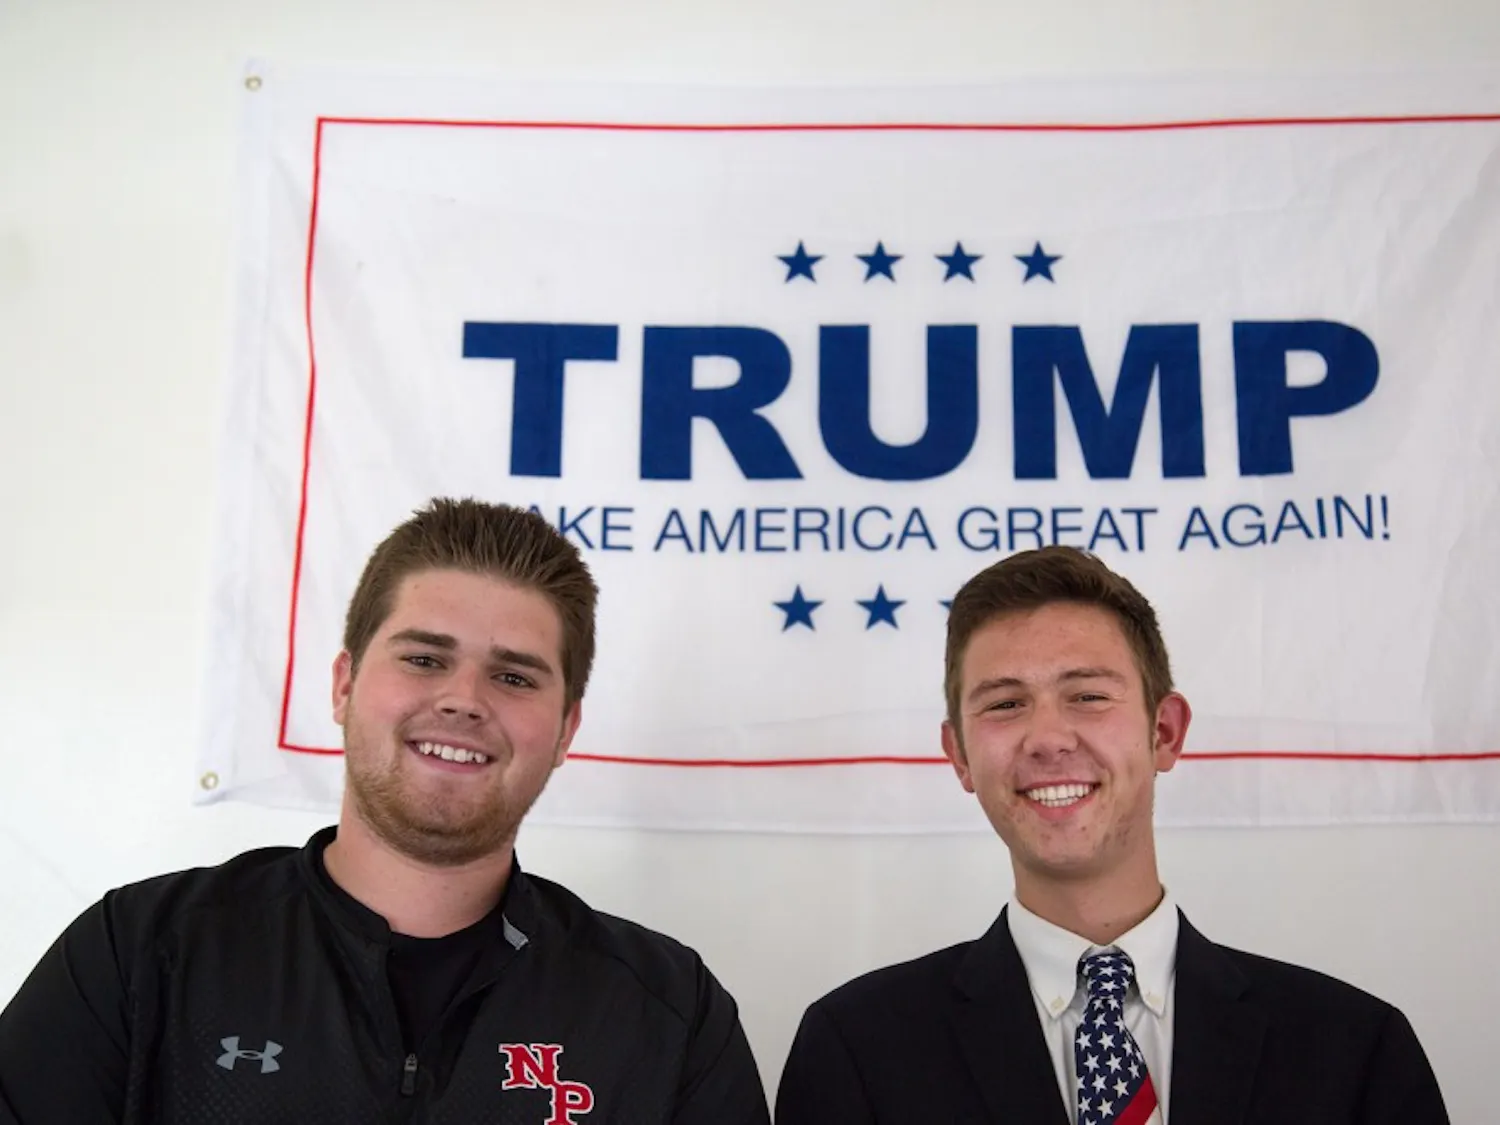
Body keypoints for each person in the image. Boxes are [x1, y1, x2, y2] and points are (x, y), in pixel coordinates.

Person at [0, 498, 770, 1125]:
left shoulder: (668, 1012)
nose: (464, 699)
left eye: (513, 676)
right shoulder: (139, 956)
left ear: (566, 728)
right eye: (425, 658)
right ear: (343, 684)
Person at [775, 546, 1448, 1125]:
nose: (1047, 737)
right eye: (1005, 703)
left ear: (1165, 732)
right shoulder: (855, 1048)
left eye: (1088, 695)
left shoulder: (1356, 1047)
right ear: (958, 756)